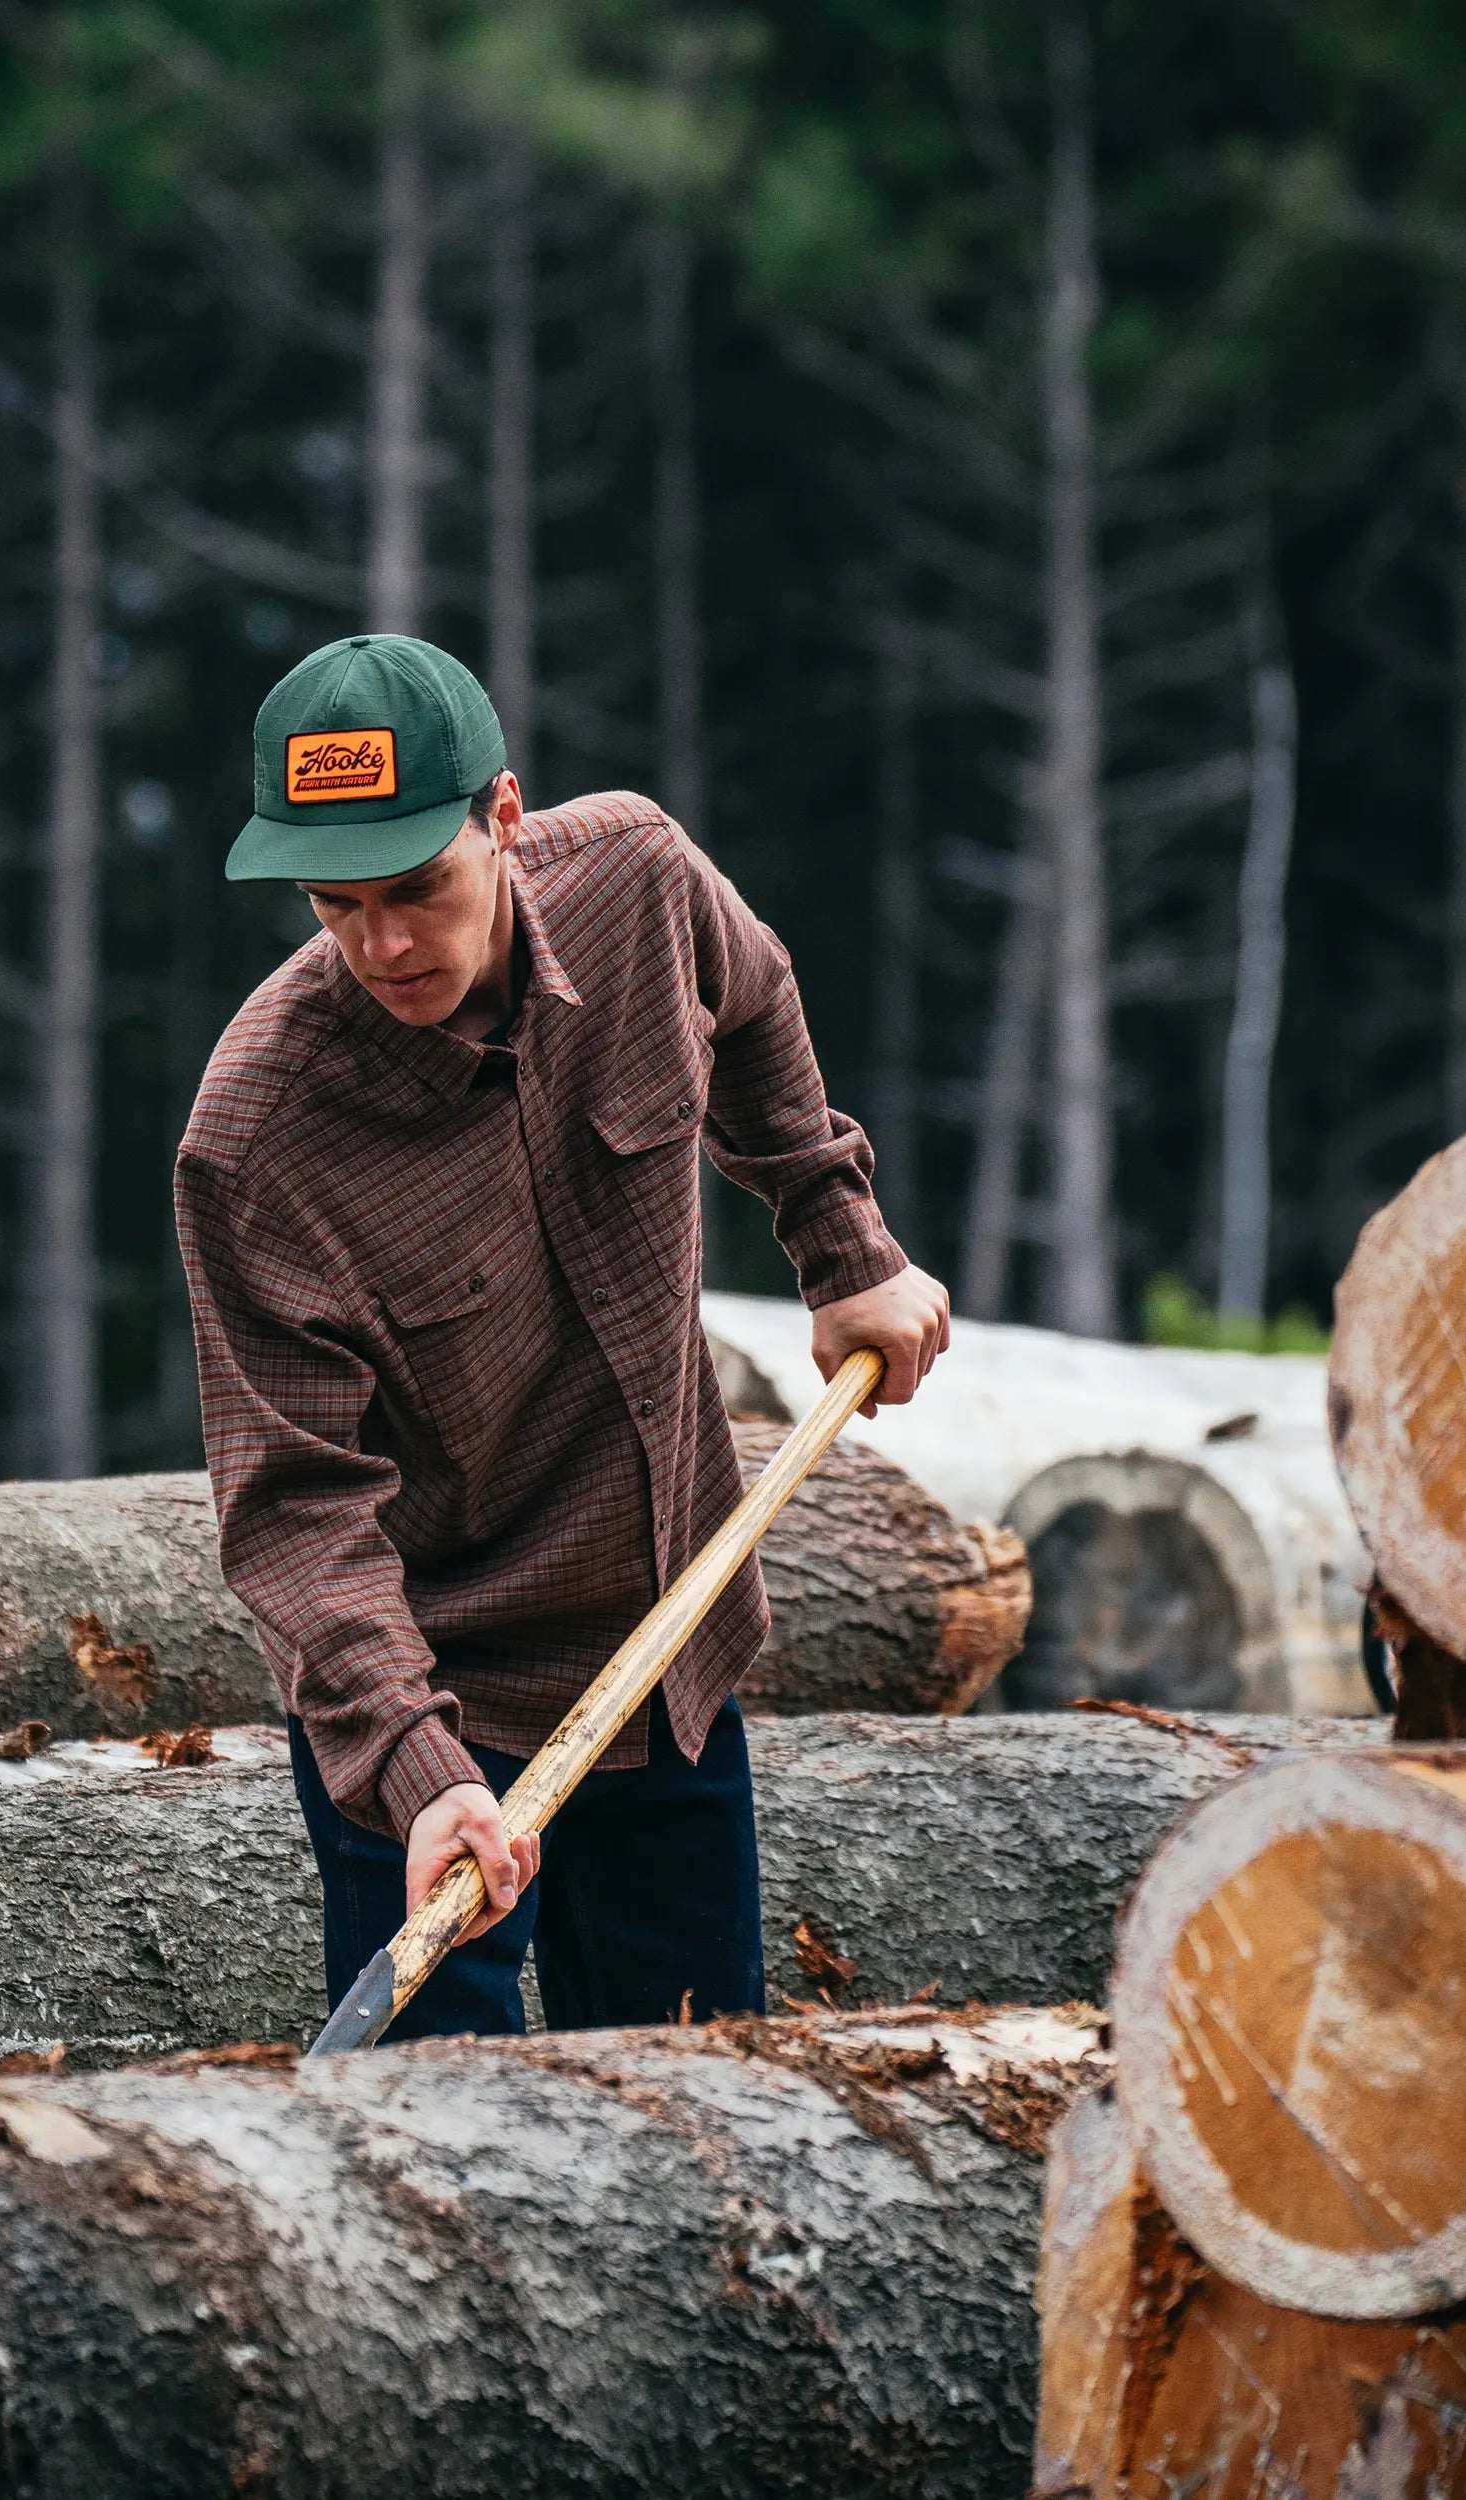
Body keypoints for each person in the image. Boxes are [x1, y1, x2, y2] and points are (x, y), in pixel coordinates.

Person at [175, 633, 950, 2040]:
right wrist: (421, 1775)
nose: (384, 945)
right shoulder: (255, 1142)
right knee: (446, 2161)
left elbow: (757, 995)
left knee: (692, 2107)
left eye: (418, 890)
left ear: (507, 818)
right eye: (334, 905)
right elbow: (295, 1518)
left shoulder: (639, 883)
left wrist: (844, 1247)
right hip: (431, 1700)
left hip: (660, 1644)